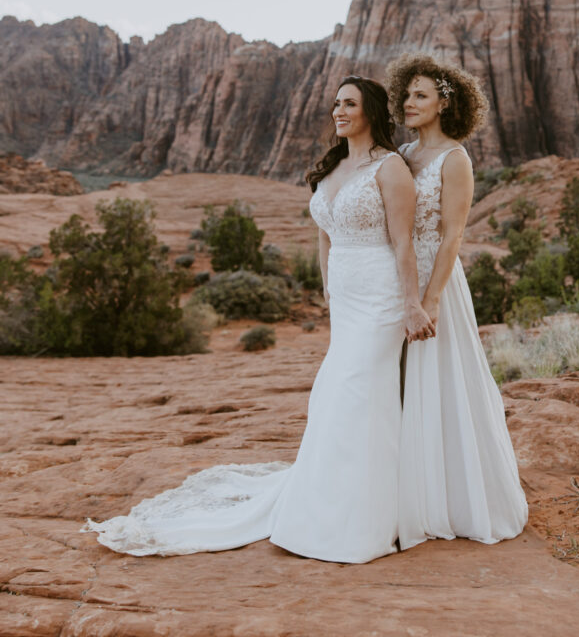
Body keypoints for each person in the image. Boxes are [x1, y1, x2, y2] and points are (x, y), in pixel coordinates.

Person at [81, 76, 433, 562]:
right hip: (348, 302)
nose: (339, 110)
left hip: (382, 297)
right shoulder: (335, 166)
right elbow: (326, 230)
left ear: (371, 110)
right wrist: (328, 286)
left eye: (349, 103)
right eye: (335, 103)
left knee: (355, 392)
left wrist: (412, 302)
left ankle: (363, 518)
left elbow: (403, 242)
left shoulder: (390, 168)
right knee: (336, 395)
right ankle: (328, 499)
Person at [384, 53, 528, 549]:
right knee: (396, 384)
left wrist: (432, 299)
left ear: (445, 102)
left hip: (435, 282)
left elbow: (453, 235)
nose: (409, 102)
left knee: (439, 381)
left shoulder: (456, 158)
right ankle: (399, 494)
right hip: (396, 282)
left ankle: (446, 498)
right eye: (406, 94)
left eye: (420, 95)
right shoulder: (401, 154)